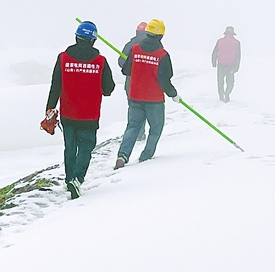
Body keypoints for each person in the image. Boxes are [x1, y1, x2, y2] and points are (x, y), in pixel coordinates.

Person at [46, 21, 115, 199]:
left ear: (76, 37)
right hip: (89, 115)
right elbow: (109, 89)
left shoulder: (63, 58)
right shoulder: (100, 61)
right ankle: (77, 179)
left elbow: (55, 85)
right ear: (93, 40)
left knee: (70, 147)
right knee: (86, 147)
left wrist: (50, 108)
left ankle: (69, 178)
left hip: (68, 113)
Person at [115, 19, 180, 169]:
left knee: (132, 127)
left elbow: (126, 70)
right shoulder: (162, 55)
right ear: (161, 35)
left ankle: (122, 155)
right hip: (154, 100)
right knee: (156, 127)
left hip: (135, 97)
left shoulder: (135, 49)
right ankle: (146, 156)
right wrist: (173, 94)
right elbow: (165, 80)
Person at [120, 22, 149, 142]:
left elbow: (121, 62)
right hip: (146, 82)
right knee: (144, 107)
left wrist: (131, 67)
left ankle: (133, 133)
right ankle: (141, 133)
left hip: (131, 81)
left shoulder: (130, 44)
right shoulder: (152, 45)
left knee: (133, 107)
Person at [211, 26, 241, 102]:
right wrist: (236, 67)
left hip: (221, 65)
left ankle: (221, 95)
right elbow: (238, 56)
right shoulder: (237, 43)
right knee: (230, 83)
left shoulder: (220, 41)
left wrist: (214, 62)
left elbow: (214, 52)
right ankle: (227, 93)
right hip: (231, 66)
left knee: (220, 82)